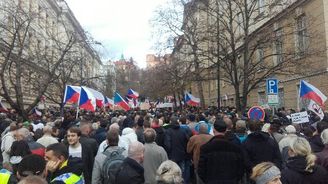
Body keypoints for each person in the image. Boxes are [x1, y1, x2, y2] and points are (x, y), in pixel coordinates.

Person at [197, 118, 245, 183]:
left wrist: (208, 180)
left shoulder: (205, 148)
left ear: (213, 130)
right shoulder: (235, 148)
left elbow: (201, 170)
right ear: (225, 131)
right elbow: (240, 169)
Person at [164, 116, 191, 183]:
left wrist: (169, 153)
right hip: (182, 155)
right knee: (181, 172)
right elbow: (187, 141)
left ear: (171, 122)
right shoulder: (183, 131)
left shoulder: (168, 131)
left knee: (174, 173)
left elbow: (168, 145)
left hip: (173, 156)